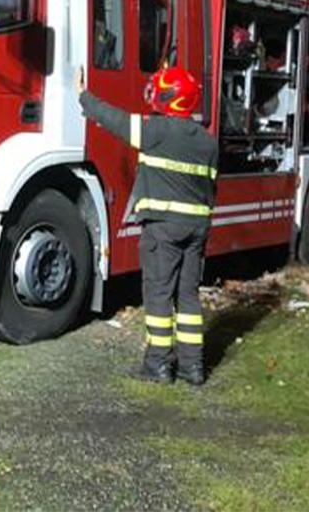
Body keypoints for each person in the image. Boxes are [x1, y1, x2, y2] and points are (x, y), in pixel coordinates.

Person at [77, 65, 218, 385]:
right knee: (188, 296)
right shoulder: (207, 142)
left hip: (163, 228)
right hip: (196, 229)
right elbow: (212, 188)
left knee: (158, 293)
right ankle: (192, 367)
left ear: (172, 99)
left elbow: (116, 121)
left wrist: (84, 97)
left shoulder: (157, 131)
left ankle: (157, 365)